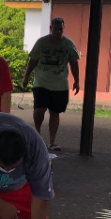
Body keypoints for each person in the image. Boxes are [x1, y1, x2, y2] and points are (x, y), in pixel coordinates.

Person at [22, 17, 80, 152]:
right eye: (56, 29)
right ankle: (36, 136)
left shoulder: (69, 44)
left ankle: (52, 142)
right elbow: (33, 61)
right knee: (39, 109)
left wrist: (77, 80)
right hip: (41, 82)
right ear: (51, 29)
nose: (58, 32)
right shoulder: (41, 43)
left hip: (60, 85)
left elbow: (74, 63)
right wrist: (26, 77)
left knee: (55, 112)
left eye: (61, 29)